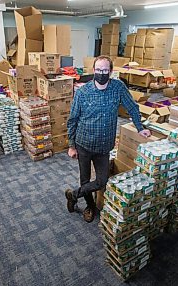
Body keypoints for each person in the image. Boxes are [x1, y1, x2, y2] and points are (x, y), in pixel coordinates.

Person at [65, 55, 151, 223]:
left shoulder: (118, 88)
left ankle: (73, 194)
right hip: (83, 144)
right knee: (85, 179)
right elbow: (73, 119)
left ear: (111, 71)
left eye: (105, 70)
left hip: (104, 146)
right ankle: (89, 206)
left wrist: (140, 127)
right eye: (98, 70)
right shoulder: (83, 92)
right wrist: (71, 145)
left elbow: (132, 107)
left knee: (101, 181)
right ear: (94, 70)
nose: (102, 73)